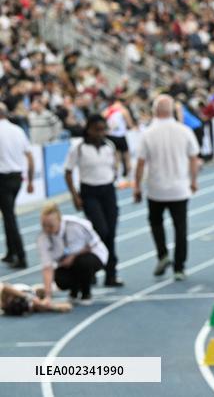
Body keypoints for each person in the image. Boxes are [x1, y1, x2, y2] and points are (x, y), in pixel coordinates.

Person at [134, 95, 200, 281]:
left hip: (156, 189)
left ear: (155, 111)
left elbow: (140, 163)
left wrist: (137, 186)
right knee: (180, 228)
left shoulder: (147, 133)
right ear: (172, 111)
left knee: (156, 223)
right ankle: (179, 267)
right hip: (179, 188)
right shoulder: (184, 130)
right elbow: (193, 158)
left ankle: (162, 254)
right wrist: (194, 180)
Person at [64, 115, 124, 288]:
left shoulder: (109, 146)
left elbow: (114, 166)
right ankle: (91, 269)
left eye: (103, 129)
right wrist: (75, 196)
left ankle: (111, 274)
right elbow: (68, 172)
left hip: (108, 191)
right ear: (88, 129)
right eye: (97, 129)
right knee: (100, 231)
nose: (100, 133)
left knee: (111, 233)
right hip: (89, 192)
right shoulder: (79, 148)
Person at [37, 202, 107, 304]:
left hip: (94, 255)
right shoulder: (43, 238)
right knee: (60, 278)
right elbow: (47, 267)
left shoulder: (75, 225)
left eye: (50, 226)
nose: (47, 229)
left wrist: (73, 256)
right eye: (44, 225)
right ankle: (74, 290)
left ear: (59, 220)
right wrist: (48, 296)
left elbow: (93, 244)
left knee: (82, 262)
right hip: (68, 264)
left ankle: (86, 293)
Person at [0, 102, 33, 268]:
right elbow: (30, 156)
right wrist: (31, 180)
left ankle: (21, 256)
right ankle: (11, 252)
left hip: (3, 179)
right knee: (8, 214)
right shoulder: (17, 130)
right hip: (17, 178)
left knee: (9, 217)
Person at [103, 96, 134, 184]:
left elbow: (101, 120)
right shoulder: (123, 110)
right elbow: (130, 124)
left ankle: (117, 178)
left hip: (111, 137)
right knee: (127, 157)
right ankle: (129, 177)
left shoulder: (107, 110)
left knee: (116, 158)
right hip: (120, 136)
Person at [1, 281, 72, 315]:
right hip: (21, 295)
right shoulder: (27, 292)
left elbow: (68, 307)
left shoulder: (35, 303)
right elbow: (5, 288)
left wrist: (50, 306)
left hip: (16, 301)